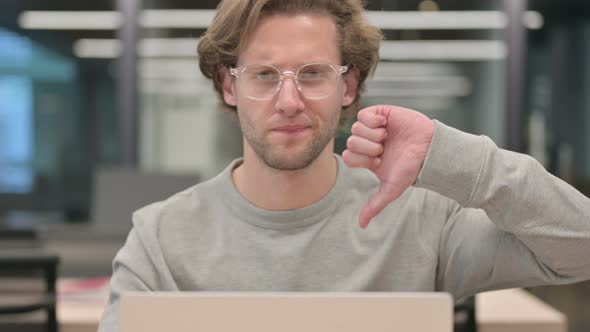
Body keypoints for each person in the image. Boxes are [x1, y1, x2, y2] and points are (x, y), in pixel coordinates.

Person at [98, 0, 590, 330]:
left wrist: (456, 157)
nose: (288, 100)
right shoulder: (160, 238)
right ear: (229, 87)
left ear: (348, 86)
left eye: (313, 73)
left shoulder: (419, 218)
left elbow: (580, 247)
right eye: (263, 75)